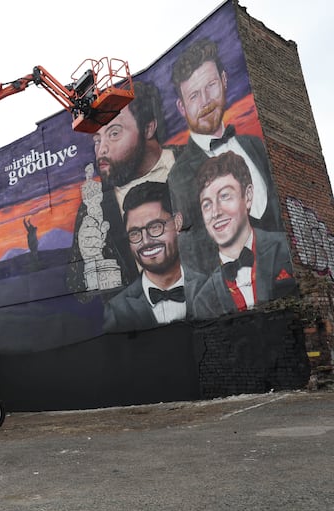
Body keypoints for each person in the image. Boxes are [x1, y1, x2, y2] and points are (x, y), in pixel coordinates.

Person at [168, 38, 282, 275]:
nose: (206, 101)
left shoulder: (254, 145)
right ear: (181, 107)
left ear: (224, 80)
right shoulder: (179, 176)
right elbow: (194, 253)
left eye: (211, 85)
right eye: (194, 96)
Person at [66, 81, 176, 293]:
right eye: (97, 140)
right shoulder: (93, 205)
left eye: (114, 133)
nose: (101, 150)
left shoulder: (193, 164)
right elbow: (76, 288)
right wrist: (87, 256)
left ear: (148, 128)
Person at [192, 152, 296, 318]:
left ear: (247, 196)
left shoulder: (285, 249)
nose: (215, 212)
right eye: (206, 204)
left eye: (225, 196)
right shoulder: (204, 300)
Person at [103, 181, 207, 332]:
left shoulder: (211, 287)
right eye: (135, 233)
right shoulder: (115, 312)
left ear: (177, 222)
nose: (146, 241)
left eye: (155, 227)